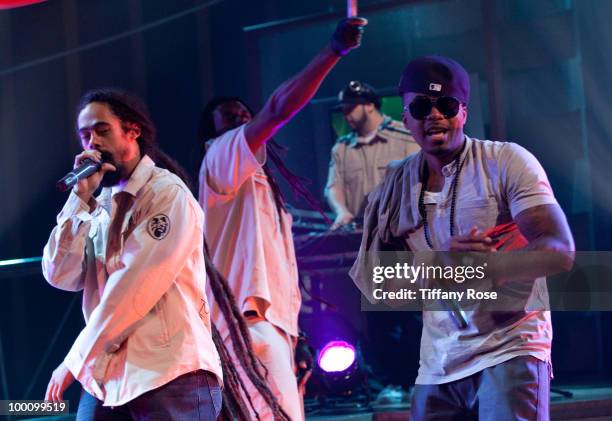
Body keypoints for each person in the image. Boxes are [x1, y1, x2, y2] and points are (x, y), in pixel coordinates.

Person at [350, 56, 575, 420]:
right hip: (438, 361)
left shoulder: (506, 161)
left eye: (447, 105)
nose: (434, 115)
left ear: (464, 112)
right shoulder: (394, 185)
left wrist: (489, 267)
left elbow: (559, 252)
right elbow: (381, 286)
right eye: (421, 106)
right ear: (406, 118)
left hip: (510, 346)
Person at [197, 17, 367, 421]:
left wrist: (295, 337)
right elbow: (277, 108)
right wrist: (333, 52)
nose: (239, 115)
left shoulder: (260, 188)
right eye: (228, 115)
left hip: (266, 329)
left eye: (242, 110)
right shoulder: (220, 157)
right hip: (245, 326)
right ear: (214, 131)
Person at [42, 89, 223, 420]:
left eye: (101, 130)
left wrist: (74, 361)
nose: (92, 142)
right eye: (85, 135)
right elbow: (59, 274)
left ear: (132, 131)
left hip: (169, 376)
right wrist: (78, 201)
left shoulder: (167, 194)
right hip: (108, 379)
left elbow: (133, 288)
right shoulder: (100, 205)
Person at [325, 80, 420, 229]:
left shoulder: (406, 137)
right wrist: (341, 211)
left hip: (400, 233)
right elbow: (333, 187)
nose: (345, 114)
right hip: (361, 235)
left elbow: (419, 184)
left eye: (350, 108)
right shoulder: (341, 148)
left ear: (369, 105)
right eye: (343, 109)